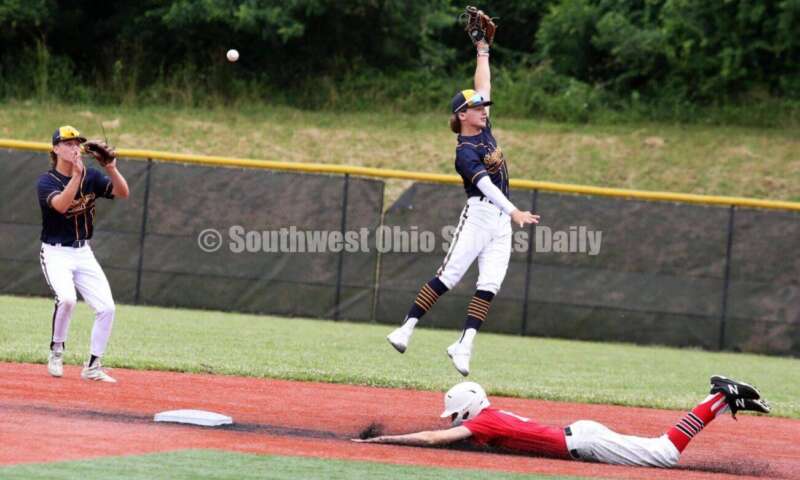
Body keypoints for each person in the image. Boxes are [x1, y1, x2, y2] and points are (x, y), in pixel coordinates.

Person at [386, 19, 539, 376]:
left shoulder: (485, 129)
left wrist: (482, 50)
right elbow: (485, 185)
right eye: (477, 107)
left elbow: (482, 85)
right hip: (482, 214)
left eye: (484, 107)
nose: (484, 109)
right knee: (450, 275)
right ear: (462, 115)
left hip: (501, 221)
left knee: (490, 284)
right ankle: (405, 328)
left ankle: (463, 344)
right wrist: (514, 210)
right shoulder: (465, 150)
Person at [354, 376, 771, 468]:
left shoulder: (483, 424)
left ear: (465, 409)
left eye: (454, 415)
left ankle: (720, 397)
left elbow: (431, 438)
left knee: (664, 454)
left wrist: (382, 441)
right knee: (660, 450)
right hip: (580, 435)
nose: (453, 422)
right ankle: (721, 398)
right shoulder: (492, 416)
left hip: (584, 442)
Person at [37, 125, 130, 383]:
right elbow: (61, 205)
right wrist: (76, 177)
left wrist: (111, 167)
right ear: (55, 149)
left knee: (107, 308)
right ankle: (57, 349)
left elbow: (123, 192)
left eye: (77, 143)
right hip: (55, 253)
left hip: (82, 252)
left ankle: (93, 366)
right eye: (67, 143)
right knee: (67, 299)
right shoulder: (46, 182)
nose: (74, 147)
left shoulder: (90, 176)